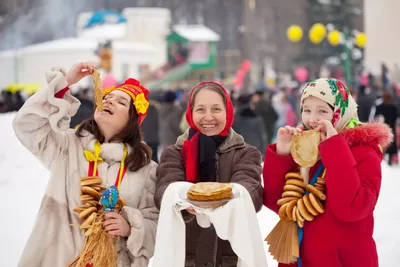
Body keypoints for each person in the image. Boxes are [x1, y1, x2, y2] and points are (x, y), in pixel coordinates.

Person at [13, 63, 158, 267]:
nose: (108, 101)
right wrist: (65, 84)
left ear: (133, 120)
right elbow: (26, 124)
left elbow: (156, 226)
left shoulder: (147, 170)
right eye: (107, 97)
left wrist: (129, 227)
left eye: (121, 102)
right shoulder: (67, 146)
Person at [263, 78, 392, 267]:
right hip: (300, 259)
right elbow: (279, 204)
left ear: (340, 112)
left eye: (322, 111)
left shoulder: (364, 152)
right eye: (307, 110)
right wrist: (282, 153)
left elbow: (352, 208)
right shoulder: (302, 147)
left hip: (344, 261)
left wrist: (333, 148)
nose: (312, 118)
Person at [154, 81, 264, 267]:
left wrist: (227, 197)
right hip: (187, 259)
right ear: (190, 113)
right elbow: (164, 191)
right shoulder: (175, 153)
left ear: (228, 112)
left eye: (216, 109)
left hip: (228, 259)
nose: (208, 117)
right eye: (200, 110)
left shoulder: (246, 153)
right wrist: (182, 200)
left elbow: (251, 192)